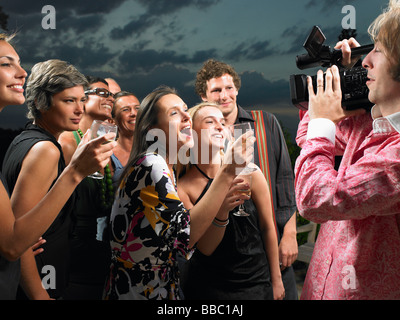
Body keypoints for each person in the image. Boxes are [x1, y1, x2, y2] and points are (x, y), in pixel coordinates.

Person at [103, 86, 255, 300]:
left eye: (185, 109)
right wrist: (228, 171)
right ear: (151, 130)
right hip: (139, 291)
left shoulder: (166, 167)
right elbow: (185, 237)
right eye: (175, 113)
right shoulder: (151, 164)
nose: (186, 116)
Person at [295, 0, 400, 299]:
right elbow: (308, 139)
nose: (366, 61)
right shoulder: (371, 125)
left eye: (377, 50)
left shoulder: (395, 157)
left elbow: (315, 199)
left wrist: (324, 120)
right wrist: (344, 78)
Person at [1, 57, 116, 300]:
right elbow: (18, 241)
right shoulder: (46, 150)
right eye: (68, 101)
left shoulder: (25, 139)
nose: (79, 109)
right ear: (40, 102)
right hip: (40, 281)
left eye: (81, 100)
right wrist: (39, 295)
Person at [195, 59, 298, 299]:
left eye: (229, 88)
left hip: (272, 242)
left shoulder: (265, 123)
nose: (224, 95)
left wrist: (290, 235)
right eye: (216, 90)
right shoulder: (201, 137)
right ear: (203, 95)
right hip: (226, 256)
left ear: (237, 89)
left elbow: (285, 182)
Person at [177, 102, 285, 300]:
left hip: (256, 282)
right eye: (210, 121)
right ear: (191, 134)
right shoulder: (183, 188)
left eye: (223, 122)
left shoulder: (250, 172)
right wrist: (222, 210)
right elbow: (205, 248)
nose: (220, 126)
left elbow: (268, 227)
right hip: (209, 288)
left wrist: (276, 280)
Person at [59, 76, 116, 300]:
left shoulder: (105, 147)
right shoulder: (67, 142)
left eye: (111, 94)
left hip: (103, 254)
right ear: (83, 99)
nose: (109, 97)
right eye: (101, 93)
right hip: (73, 255)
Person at [110, 91, 140, 187]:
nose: (134, 113)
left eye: (137, 108)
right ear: (113, 121)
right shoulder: (108, 155)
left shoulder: (155, 150)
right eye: (125, 109)